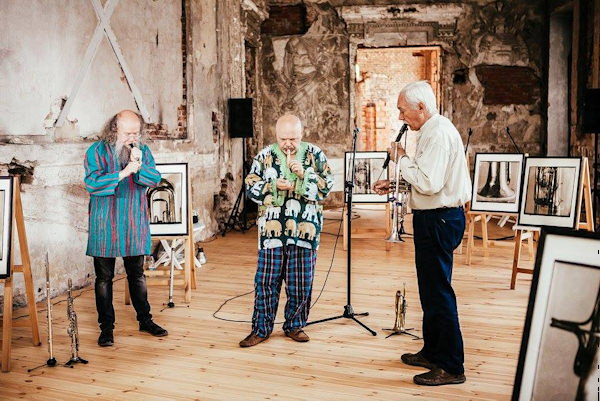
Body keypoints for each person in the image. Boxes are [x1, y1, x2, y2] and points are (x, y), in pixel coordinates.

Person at [373, 81, 471, 386]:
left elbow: (429, 183)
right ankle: (433, 351)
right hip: (433, 217)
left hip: (440, 220)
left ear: (421, 107)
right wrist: (397, 183)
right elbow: (428, 179)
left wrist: (400, 158)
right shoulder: (430, 131)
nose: (401, 117)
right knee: (429, 289)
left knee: (439, 291)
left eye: (403, 110)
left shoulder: (438, 133)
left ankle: (452, 366)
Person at [239, 114, 334, 347]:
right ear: (276, 136)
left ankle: (295, 325)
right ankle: (261, 329)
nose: (288, 144)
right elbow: (251, 187)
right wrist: (273, 185)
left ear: (301, 135)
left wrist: (304, 175)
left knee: (301, 281)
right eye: (283, 139)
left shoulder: (315, 155)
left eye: (293, 138)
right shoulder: (264, 156)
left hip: (305, 232)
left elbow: (327, 187)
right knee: (266, 281)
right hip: (272, 233)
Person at [84, 109, 168, 347]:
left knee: (137, 275)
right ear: (114, 130)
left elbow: (154, 179)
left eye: (136, 132)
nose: (133, 137)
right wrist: (123, 173)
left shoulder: (143, 151)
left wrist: (139, 167)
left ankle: (145, 320)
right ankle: (107, 328)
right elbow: (92, 183)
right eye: (128, 133)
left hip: (133, 220)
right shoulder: (96, 151)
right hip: (105, 222)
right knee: (104, 278)